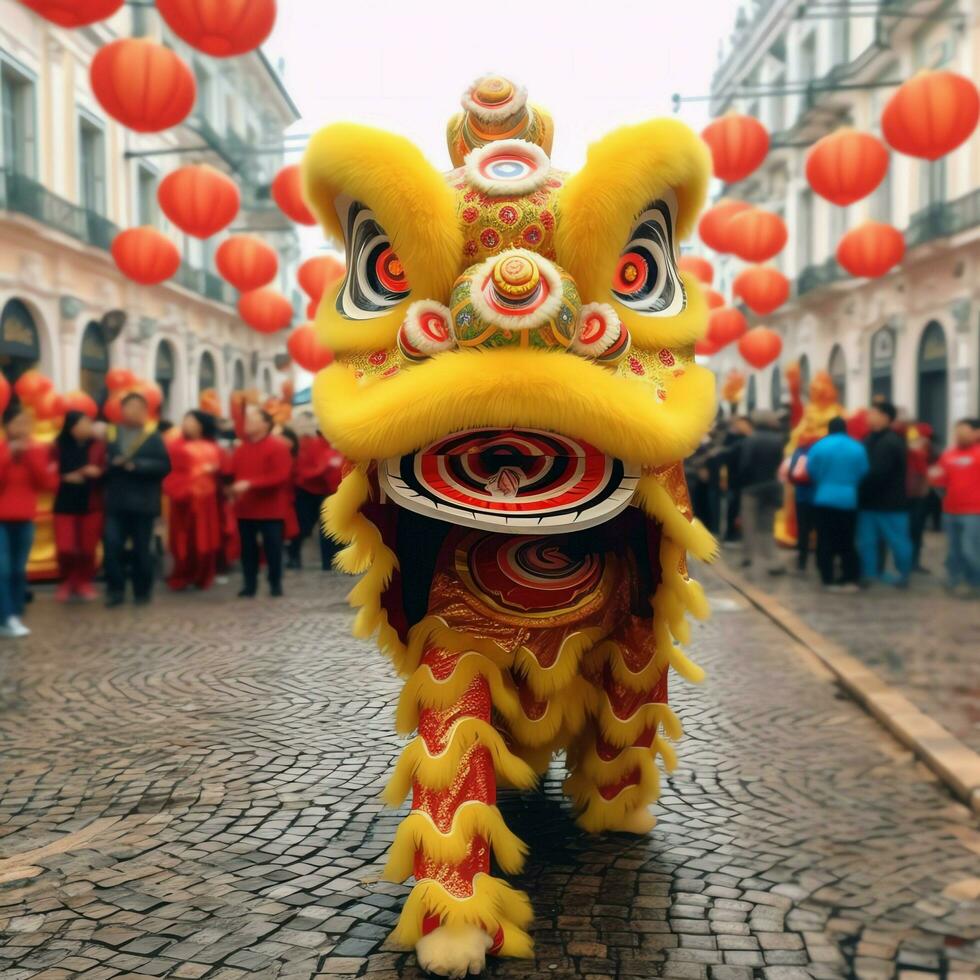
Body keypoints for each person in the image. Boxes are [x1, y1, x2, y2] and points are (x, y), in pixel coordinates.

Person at [103, 392, 172, 607]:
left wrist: (138, 465)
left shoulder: (153, 437)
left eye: (137, 407)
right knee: (112, 546)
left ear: (145, 411)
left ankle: (142, 591)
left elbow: (164, 466)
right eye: (128, 406)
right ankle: (116, 590)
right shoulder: (111, 434)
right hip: (116, 502)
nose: (132, 411)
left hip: (143, 503)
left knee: (142, 549)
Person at [0, 402, 56, 636]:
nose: (24, 428)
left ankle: (15, 613)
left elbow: (47, 484)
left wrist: (30, 456)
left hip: (25, 518)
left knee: (17, 570)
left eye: (27, 423)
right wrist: (8, 456)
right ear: (7, 425)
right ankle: (7, 616)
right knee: (2, 569)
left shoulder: (37, 450)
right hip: (1, 519)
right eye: (18, 423)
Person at [230, 406, 293, 598]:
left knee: (272, 548)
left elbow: (281, 476)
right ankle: (249, 584)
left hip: (270, 509)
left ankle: (275, 583)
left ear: (266, 424)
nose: (247, 423)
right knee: (247, 550)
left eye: (252, 419)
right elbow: (233, 473)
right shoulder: (241, 448)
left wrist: (250, 484)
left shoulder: (278, 446)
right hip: (245, 508)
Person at [805, 417, 868, 593]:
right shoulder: (857, 447)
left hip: (823, 497)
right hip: (849, 498)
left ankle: (828, 577)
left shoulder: (819, 446)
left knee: (824, 539)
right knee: (847, 540)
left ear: (829, 429)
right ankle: (850, 576)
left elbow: (811, 470)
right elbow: (863, 471)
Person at [163, 411, 221, 591]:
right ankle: (182, 574)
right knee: (183, 538)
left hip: (208, 501)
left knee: (206, 539)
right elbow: (170, 474)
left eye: (191, 421)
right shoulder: (175, 447)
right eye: (185, 420)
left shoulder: (213, 446)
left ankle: (204, 574)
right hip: (185, 500)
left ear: (201, 425)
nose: (186, 424)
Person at [857, 401, 913, 587]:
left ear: (885, 417)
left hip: (891, 504)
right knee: (867, 542)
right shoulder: (868, 439)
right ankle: (870, 573)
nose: (868, 416)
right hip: (868, 504)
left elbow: (878, 473)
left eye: (872, 412)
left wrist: (858, 484)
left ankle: (903, 574)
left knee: (898, 542)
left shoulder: (891, 441)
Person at [52, 410, 106, 601]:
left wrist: (97, 472)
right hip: (64, 503)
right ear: (71, 427)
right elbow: (47, 473)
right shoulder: (57, 446)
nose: (87, 427)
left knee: (87, 548)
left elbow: (108, 471)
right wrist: (65, 478)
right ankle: (67, 580)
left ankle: (84, 581)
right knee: (65, 548)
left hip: (91, 503)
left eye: (89, 423)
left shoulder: (99, 446)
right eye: (82, 423)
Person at [287, 414, 344, 571]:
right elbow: (303, 471)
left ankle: (330, 562)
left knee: (327, 528)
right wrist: (323, 468)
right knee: (304, 526)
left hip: (328, 491)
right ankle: (294, 556)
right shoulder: (310, 444)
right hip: (307, 490)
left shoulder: (337, 445)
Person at [930, 418, 980, 597]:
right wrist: (934, 477)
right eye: (957, 431)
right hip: (950, 510)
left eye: (964, 431)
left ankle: (975, 582)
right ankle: (954, 579)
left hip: (974, 511)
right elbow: (939, 479)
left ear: (977, 433)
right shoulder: (948, 454)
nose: (959, 435)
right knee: (953, 549)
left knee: (971, 549)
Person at [735, 412, 786, 574]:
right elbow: (779, 462)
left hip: (752, 487)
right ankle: (773, 561)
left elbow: (745, 464)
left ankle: (747, 556)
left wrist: (742, 482)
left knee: (749, 523)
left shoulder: (751, 440)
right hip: (771, 486)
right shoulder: (778, 440)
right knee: (767, 526)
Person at [905, 422, 935, 573]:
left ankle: (913, 562)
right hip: (910, 495)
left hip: (919, 496)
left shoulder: (923, 452)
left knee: (915, 531)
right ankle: (910, 562)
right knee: (911, 531)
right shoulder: (910, 452)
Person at [786, 440, 816, 573]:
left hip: (802, 496)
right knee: (822, 530)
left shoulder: (800, 450)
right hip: (820, 496)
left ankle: (802, 561)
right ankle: (821, 562)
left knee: (803, 530)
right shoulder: (823, 448)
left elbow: (792, 474)